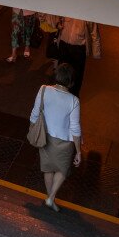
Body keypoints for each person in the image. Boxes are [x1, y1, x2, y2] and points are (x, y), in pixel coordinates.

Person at [30, 63, 82, 212]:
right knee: (63, 170)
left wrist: (34, 129)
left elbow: (34, 113)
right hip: (64, 142)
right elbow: (75, 128)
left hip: (45, 138)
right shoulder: (73, 101)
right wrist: (78, 151)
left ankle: (50, 198)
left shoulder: (44, 89)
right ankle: (51, 198)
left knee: (48, 169)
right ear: (71, 82)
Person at [56, 17, 101, 97]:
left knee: (77, 74)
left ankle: (73, 96)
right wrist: (58, 24)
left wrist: (96, 52)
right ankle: (59, 93)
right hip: (64, 44)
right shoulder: (68, 8)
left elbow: (94, 33)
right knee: (61, 71)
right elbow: (57, 19)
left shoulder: (88, 15)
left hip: (78, 48)